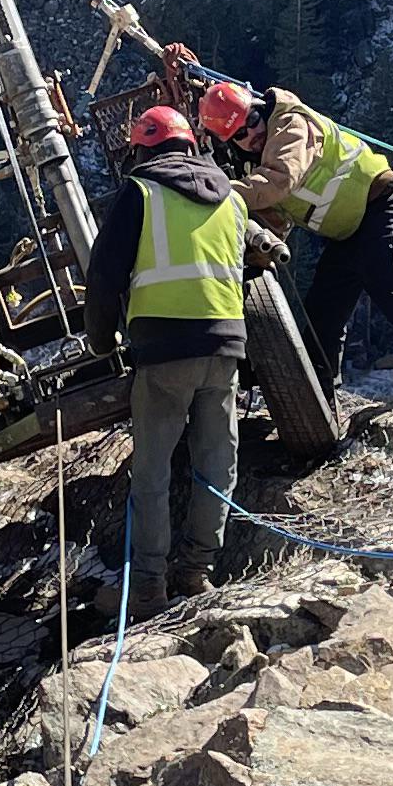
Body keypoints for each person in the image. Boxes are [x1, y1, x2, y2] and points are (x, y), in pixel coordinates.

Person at [193, 77, 393, 409]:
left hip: (380, 207)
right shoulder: (257, 165)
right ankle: (319, 405)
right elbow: (275, 219)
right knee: (322, 318)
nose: (251, 134)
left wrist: (217, 193)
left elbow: (280, 181)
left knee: (392, 294)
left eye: (251, 120)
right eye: (239, 135)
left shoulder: (290, 123)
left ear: (259, 107)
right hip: (346, 234)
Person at [84, 104, 254, 616]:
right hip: (224, 348)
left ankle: (149, 586)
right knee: (217, 460)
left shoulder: (139, 192)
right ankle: (197, 571)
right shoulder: (231, 198)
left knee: (153, 471)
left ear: (142, 149)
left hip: (163, 352)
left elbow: (104, 274)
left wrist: (100, 340)